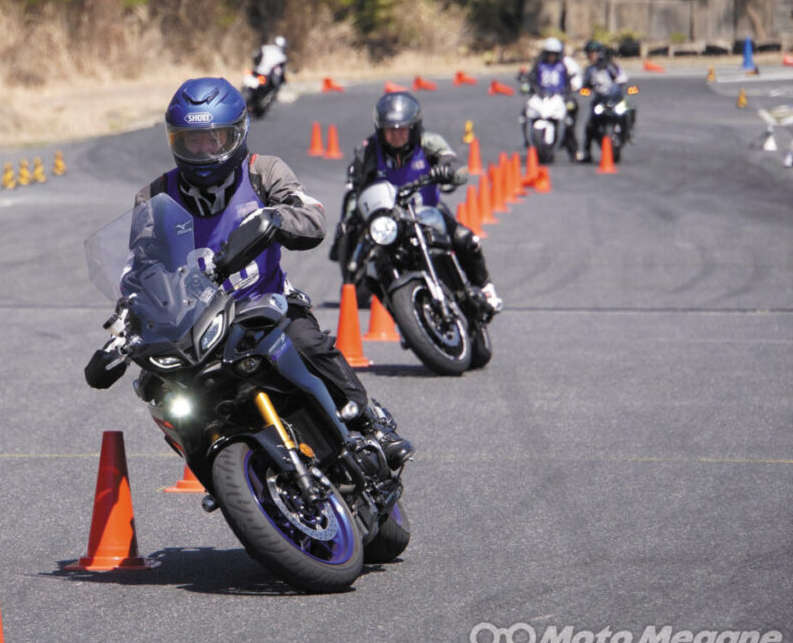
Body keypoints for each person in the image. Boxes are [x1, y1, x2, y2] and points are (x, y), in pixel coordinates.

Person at [88, 76, 413, 469]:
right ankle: (215, 464)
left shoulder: (264, 171)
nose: (205, 150)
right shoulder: (154, 195)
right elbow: (138, 266)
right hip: (196, 325)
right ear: (176, 142)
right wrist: (125, 324)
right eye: (193, 140)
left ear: (237, 134)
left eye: (215, 139)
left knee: (306, 341)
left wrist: (276, 219)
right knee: (159, 389)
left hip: (266, 306)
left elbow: (311, 215)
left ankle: (369, 422)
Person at [330, 91, 502, 313]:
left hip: (428, 211)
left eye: (402, 129)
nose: (396, 135)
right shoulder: (370, 150)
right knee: (349, 226)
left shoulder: (429, 142)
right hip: (387, 218)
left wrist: (449, 171)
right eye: (390, 130)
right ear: (380, 129)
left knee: (465, 238)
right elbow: (355, 184)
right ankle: (353, 278)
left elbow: (456, 165)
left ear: (413, 127)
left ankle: (485, 286)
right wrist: (352, 214)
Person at [519, 37, 582, 158]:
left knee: (571, 116)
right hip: (541, 95)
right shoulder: (539, 64)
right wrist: (527, 85)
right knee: (525, 112)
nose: (551, 56)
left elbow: (569, 81)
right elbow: (532, 77)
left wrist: (568, 92)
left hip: (558, 96)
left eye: (554, 54)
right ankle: (527, 140)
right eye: (549, 53)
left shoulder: (563, 65)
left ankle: (572, 147)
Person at [577, 39, 634, 163]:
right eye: (589, 53)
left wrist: (619, 82)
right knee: (590, 125)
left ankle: (628, 131)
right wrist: (583, 90)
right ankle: (587, 152)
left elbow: (622, 77)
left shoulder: (610, 66)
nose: (591, 56)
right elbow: (584, 86)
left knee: (628, 110)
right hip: (600, 100)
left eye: (593, 53)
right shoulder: (589, 70)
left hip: (615, 98)